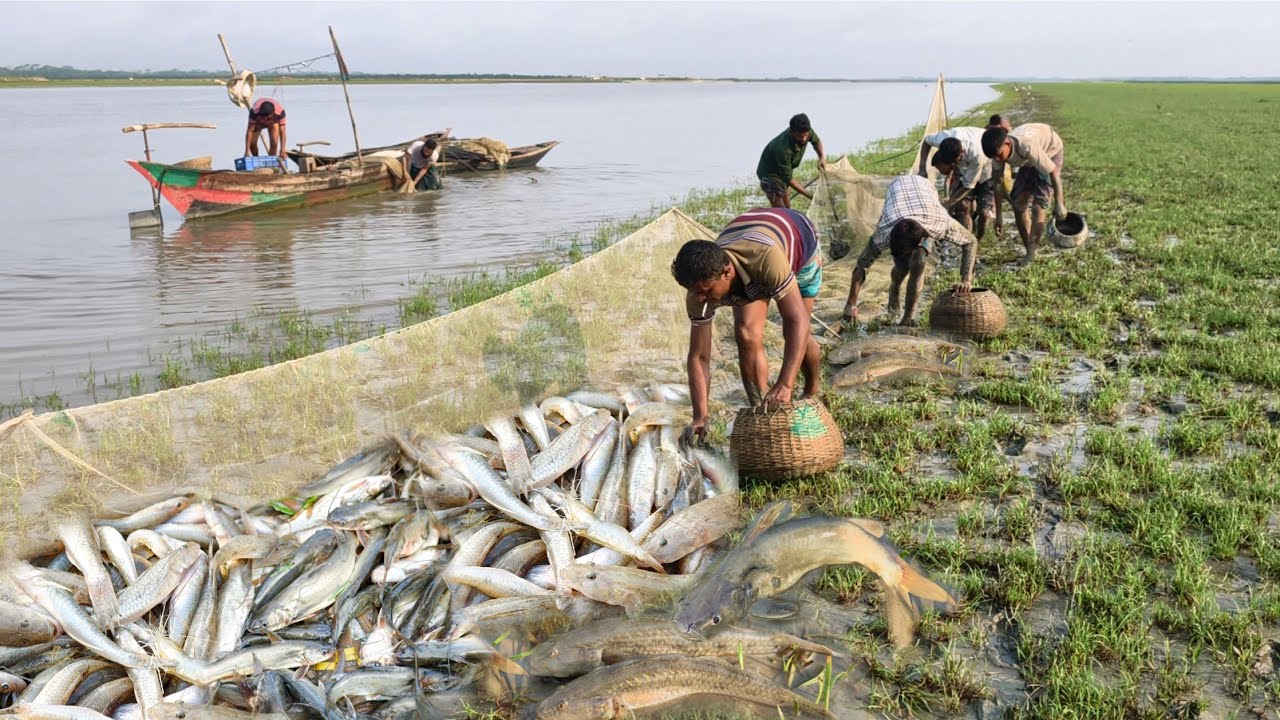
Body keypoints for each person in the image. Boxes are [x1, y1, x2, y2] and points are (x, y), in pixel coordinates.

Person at [671, 208, 823, 443]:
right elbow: (699, 356)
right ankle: (762, 409)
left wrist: (785, 383)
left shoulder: (765, 258)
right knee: (746, 335)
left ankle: (812, 390)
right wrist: (700, 415)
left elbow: (798, 320)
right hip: (748, 249)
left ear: (727, 273)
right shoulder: (698, 293)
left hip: (799, 243)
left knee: (796, 332)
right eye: (695, 292)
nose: (700, 298)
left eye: (706, 291)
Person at [843, 174, 977, 326]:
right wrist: (851, 304)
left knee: (918, 262)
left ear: (921, 240)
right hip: (897, 188)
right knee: (901, 269)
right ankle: (893, 300)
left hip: (925, 191)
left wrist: (966, 279)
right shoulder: (883, 233)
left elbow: (971, 241)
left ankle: (907, 317)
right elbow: (862, 265)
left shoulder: (941, 225)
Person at [981, 122, 1068, 266]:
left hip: (1050, 151)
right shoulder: (997, 154)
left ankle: (1031, 254)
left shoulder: (1027, 146)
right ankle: (1029, 248)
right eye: (993, 157)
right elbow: (998, 183)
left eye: (998, 155)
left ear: (1007, 143)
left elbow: (1052, 172)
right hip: (1028, 161)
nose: (997, 160)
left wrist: (1060, 203)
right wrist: (999, 217)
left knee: (1038, 207)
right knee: (1018, 204)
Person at [915, 127, 994, 240]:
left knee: (983, 212)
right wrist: (922, 167)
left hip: (987, 168)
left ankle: (978, 240)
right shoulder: (942, 139)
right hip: (966, 169)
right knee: (964, 206)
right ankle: (967, 239)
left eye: (956, 161)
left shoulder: (976, 154)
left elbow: (968, 186)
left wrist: (949, 203)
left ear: (961, 153)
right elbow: (926, 141)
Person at [756, 114, 826, 209]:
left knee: (787, 206)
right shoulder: (783, 150)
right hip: (770, 174)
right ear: (792, 132)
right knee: (781, 209)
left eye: (806, 135)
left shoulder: (807, 131)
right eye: (800, 137)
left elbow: (816, 141)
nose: (804, 139)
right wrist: (810, 196)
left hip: (783, 172)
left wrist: (821, 157)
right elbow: (788, 179)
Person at [244, 98, 287, 164]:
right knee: (252, 144)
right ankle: (256, 161)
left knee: (274, 143)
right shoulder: (254, 112)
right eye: (263, 117)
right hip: (258, 122)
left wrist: (282, 150)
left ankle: (271, 163)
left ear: (273, 113)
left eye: (267, 117)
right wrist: (247, 151)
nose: (265, 119)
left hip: (273, 122)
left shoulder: (280, 113)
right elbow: (250, 130)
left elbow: (283, 132)